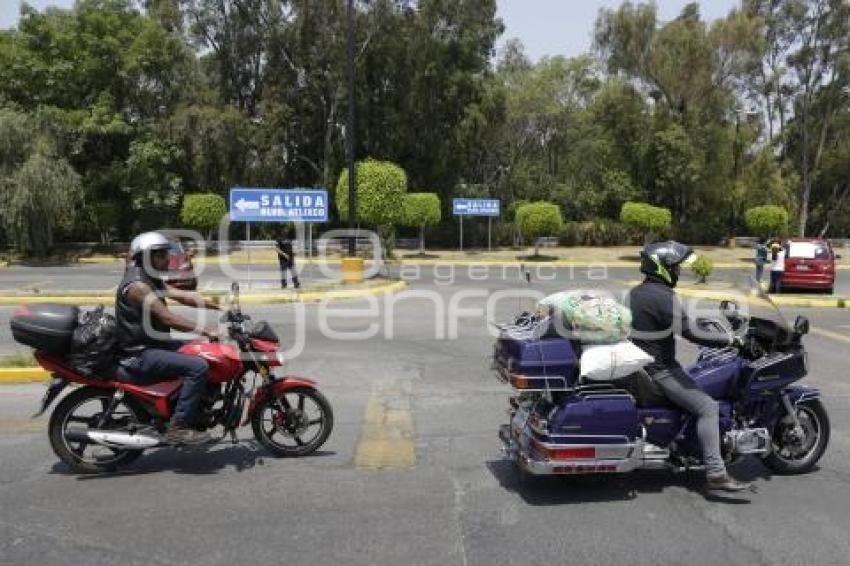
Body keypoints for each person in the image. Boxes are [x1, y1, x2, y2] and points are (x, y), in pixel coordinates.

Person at [628, 241, 751, 493]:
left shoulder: (637, 292)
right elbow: (689, 331)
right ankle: (716, 472)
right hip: (660, 370)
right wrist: (729, 339)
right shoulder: (663, 296)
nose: (678, 272)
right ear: (663, 268)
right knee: (707, 406)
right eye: (675, 267)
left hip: (645, 365)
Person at [115, 232, 222, 444]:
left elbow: (182, 296)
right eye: (161, 255)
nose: (167, 259)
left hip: (154, 344)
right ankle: (178, 426)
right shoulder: (138, 286)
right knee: (198, 367)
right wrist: (207, 330)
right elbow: (167, 318)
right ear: (147, 257)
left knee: (202, 350)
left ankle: (192, 406)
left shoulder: (149, 279)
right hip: (140, 353)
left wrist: (218, 305)